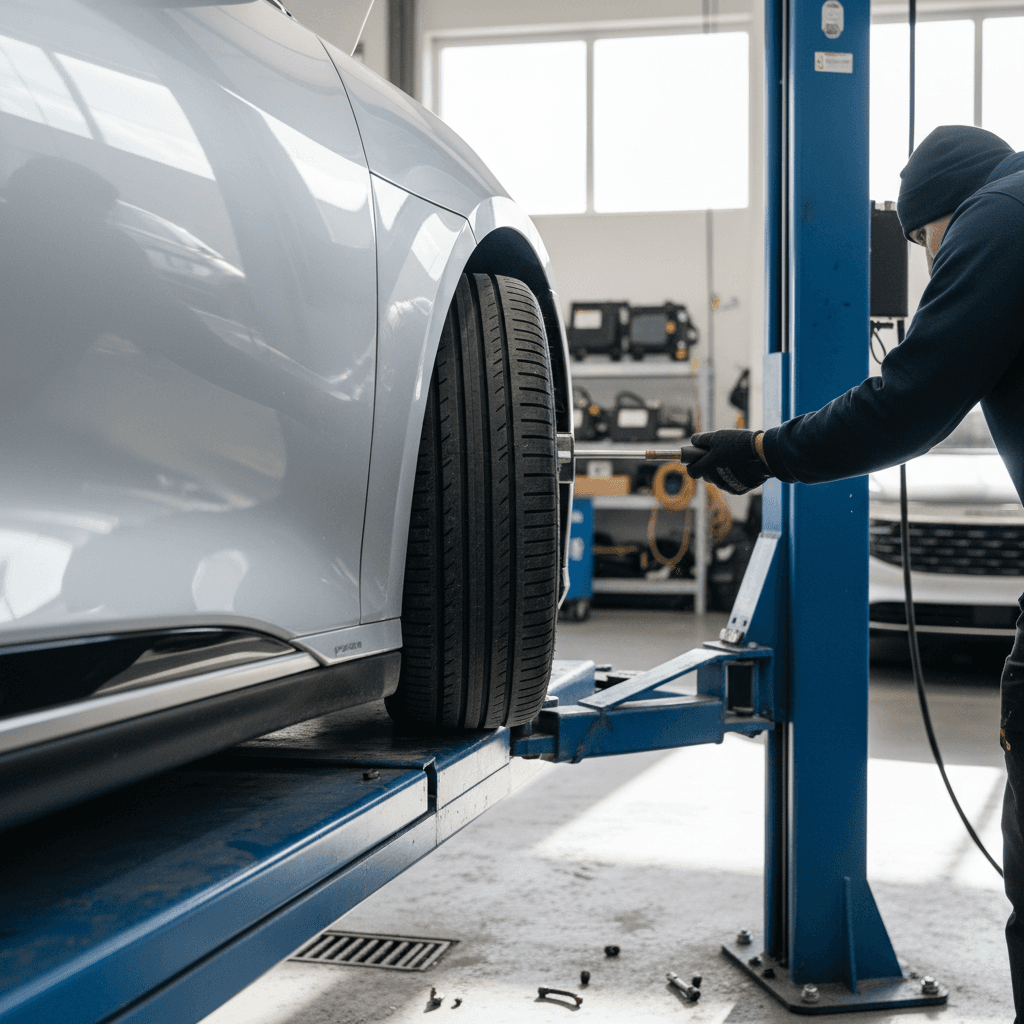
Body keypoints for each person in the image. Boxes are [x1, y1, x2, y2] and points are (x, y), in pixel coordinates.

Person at [686, 123, 1024, 1018]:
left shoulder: (996, 220)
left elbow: (908, 403)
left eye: (918, 244)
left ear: (933, 217)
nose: (922, 262)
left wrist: (764, 449)